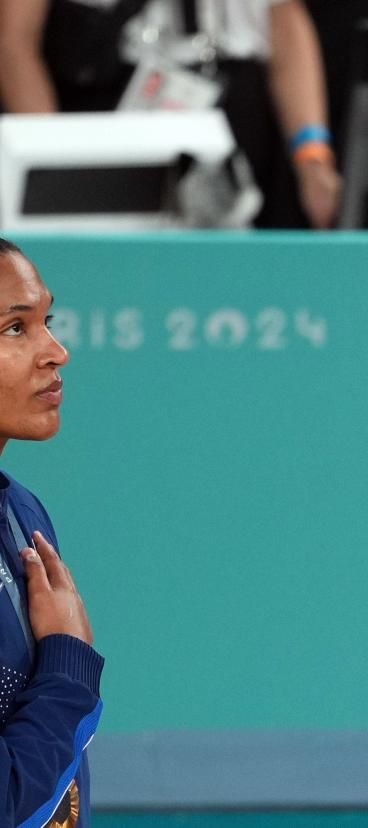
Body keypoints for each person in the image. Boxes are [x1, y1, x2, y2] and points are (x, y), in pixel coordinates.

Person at [0, 0, 340, 229]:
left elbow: (283, 20)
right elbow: (14, 43)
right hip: (119, 106)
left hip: (229, 100)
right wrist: (54, 170)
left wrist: (312, 154)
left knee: (242, 263)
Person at [0, 238, 103, 827]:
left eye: (47, 321)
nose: (56, 352)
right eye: (15, 329)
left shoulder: (23, 511)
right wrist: (67, 667)